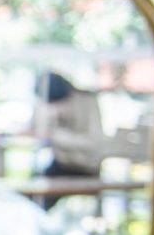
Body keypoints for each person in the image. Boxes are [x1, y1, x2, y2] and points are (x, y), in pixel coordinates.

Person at [32, 70, 105, 206]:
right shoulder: (52, 102)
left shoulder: (86, 101)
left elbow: (93, 144)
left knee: (41, 195)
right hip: (61, 164)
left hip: (85, 167)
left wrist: (55, 135)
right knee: (33, 189)